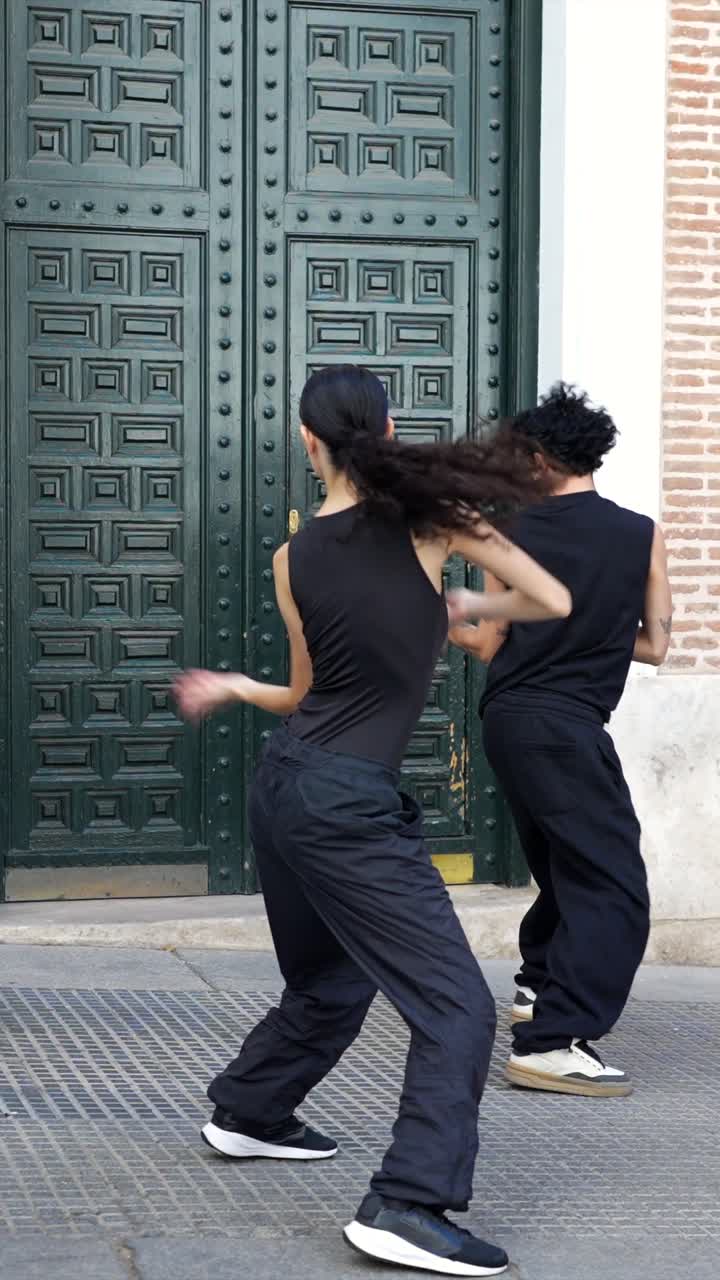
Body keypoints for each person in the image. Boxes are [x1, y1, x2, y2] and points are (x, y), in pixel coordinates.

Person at [174, 365, 570, 1278]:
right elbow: (551, 600)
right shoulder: (432, 521)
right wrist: (469, 602)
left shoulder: (291, 558)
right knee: (458, 1008)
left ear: (307, 444)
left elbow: (307, 695)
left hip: (288, 786)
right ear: (389, 429)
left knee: (329, 978)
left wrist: (236, 685)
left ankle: (249, 1111)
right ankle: (407, 1203)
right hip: (349, 803)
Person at [450, 383, 672, 1099]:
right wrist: (601, 638)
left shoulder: (507, 527)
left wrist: (442, 619)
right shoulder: (641, 532)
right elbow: (656, 644)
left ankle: (539, 987)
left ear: (541, 459)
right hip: (570, 727)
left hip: (510, 720)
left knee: (567, 866)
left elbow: (487, 642)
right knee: (615, 885)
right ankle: (552, 1042)